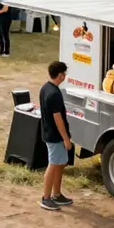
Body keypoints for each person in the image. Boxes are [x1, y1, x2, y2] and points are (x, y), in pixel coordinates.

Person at [39, 61, 74, 211]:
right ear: (60, 75)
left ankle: (57, 194)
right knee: (53, 165)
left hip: (50, 133)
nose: (65, 76)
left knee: (60, 164)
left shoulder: (45, 88)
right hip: (55, 136)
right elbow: (58, 118)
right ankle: (46, 198)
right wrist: (66, 138)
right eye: (64, 74)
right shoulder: (54, 93)